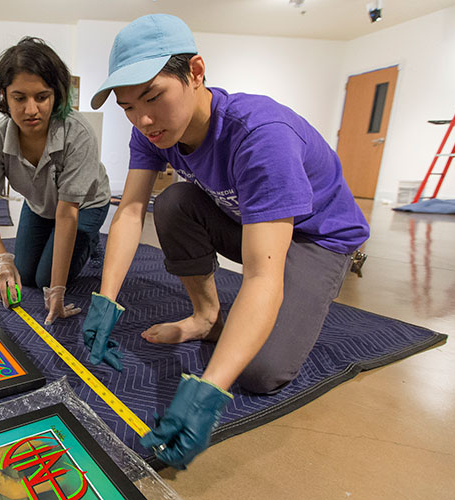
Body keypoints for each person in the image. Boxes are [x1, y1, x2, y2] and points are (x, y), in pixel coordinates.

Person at [82, 14, 370, 469]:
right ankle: (207, 316)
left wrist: (208, 389)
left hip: (317, 237)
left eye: (154, 97)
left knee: (259, 372)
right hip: (250, 220)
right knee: (174, 202)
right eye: (129, 107)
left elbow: (261, 274)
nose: (144, 119)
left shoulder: (261, 137)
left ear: (196, 73)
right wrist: (106, 299)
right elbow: (133, 209)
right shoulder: (153, 131)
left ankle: (308, 295)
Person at [0, 37, 111, 325]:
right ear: (4, 96)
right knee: (25, 273)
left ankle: (90, 241)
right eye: (19, 98)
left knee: (46, 278)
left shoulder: (78, 133)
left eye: (42, 97)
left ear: (56, 95)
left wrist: (58, 290)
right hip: (40, 204)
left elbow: (67, 213)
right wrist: (0, 259)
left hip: (83, 206)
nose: (31, 110)